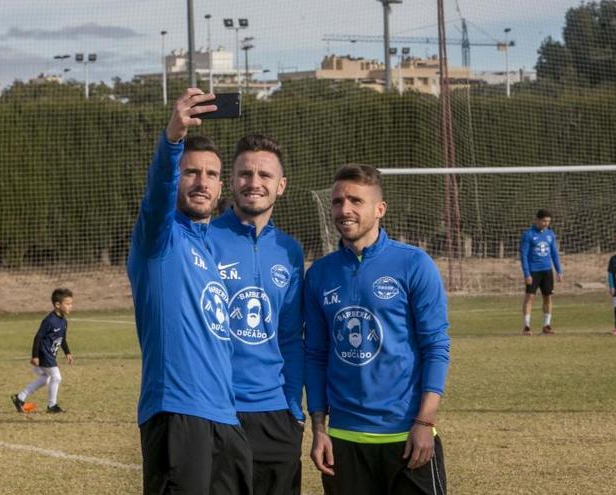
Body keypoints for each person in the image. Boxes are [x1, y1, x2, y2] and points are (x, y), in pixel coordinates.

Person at [126, 88, 251, 494]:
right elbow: (158, 193)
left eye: (212, 175)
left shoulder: (211, 247)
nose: (202, 183)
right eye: (191, 172)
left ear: (221, 186)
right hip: (177, 413)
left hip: (226, 419)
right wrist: (173, 139)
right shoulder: (159, 240)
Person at [305, 164, 450, 494]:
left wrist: (425, 422)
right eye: (338, 201)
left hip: (406, 436)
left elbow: (436, 347)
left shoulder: (413, 264)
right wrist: (319, 428)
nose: (345, 210)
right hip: (343, 440)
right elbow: (314, 355)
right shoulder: (319, 274)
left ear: (380, 209)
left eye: (356, 201)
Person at [207, 134, 304, 494]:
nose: (254, 183)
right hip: (217, 410)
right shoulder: (204, 238)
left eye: (265, 175)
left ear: (281, 186)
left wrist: (294, 409)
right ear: (230, 181)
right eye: (245, 173)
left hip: (276, 413)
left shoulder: (290, 251)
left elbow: (292, 338)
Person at [12, 288, 74, 414]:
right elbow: (38, 337)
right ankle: (52, 406)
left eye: (71, 304)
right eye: (67, 304)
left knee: (44, 379)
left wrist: (67, 352)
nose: (70, 306)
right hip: (44, 354)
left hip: (51, 355)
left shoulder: (64, 321)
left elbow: (62, 339)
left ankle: (20, 398)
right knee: (56, 377)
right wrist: (35, 356)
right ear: (57, 305)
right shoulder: (49, 320)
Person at [519, 209, 563, 335]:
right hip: (533, 271)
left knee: (548, 297)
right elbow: (524, 256)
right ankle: (527, 326)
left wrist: (559, 270)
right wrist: (527, 273)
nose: (546, 223)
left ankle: (546, 325)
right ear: (537, 220)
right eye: (544, 221)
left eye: (548, 221)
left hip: (547, 271)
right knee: (530, 297)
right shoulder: (528, 235)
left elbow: (554, 253)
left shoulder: (550, 234)